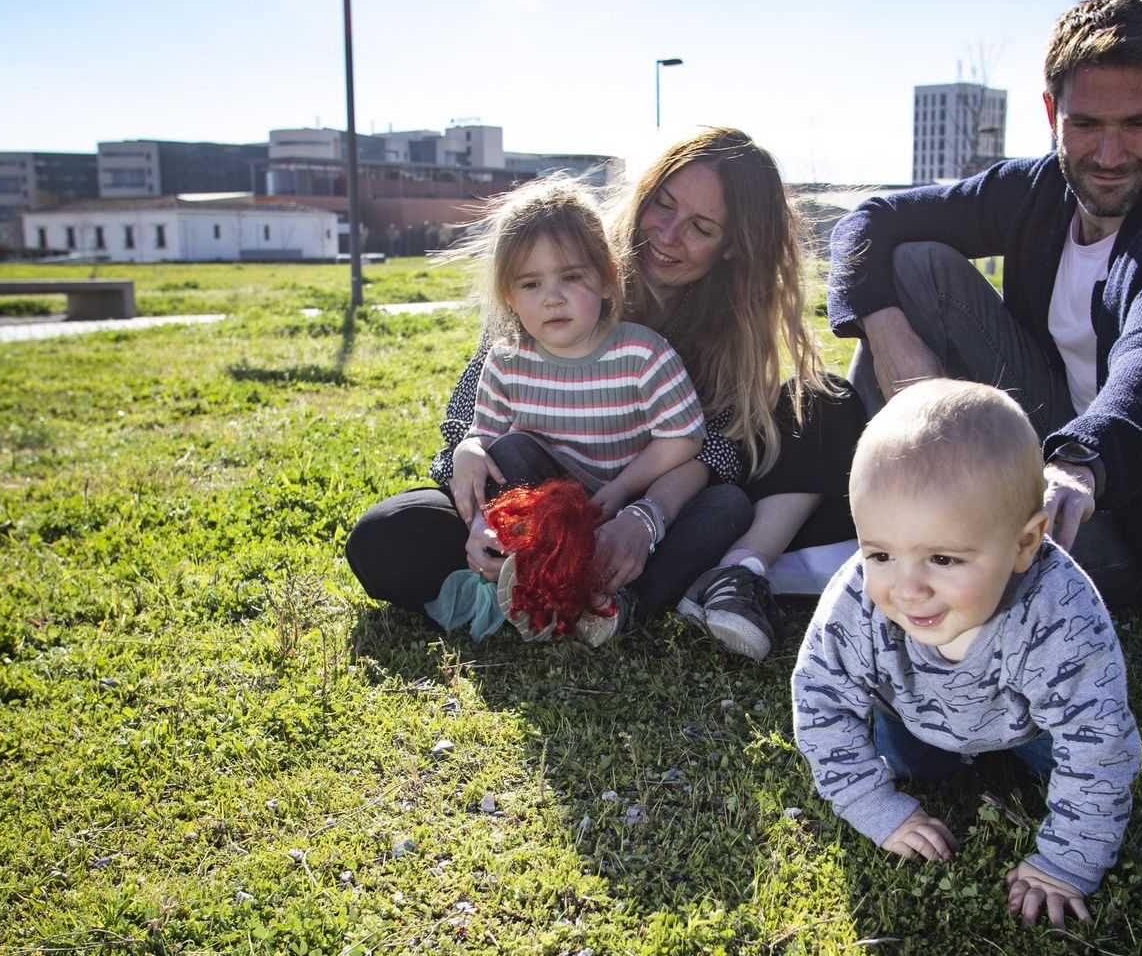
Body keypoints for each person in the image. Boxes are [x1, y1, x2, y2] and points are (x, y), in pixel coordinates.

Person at [827, 0, 1142, 624]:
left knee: (1005, 549)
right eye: (1085, 124)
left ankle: (892, 550)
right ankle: (866, 516)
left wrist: (1080, 463)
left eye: (1138, 124)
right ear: (1052, 112)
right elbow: (870, 218)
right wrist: (887, 334)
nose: (1108, 156)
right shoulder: (1038, 189)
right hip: (1045, 448)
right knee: (915, 262)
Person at [346, 128, 861, 649]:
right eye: (663, 204)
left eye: (701, 228)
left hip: (657, 506)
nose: (666, 234)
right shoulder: (563, 255)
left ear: (733, 247)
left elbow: (712, 453)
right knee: (386, 538)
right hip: (538, 497)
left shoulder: (727, 327)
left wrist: (641, 518)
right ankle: (532, 581)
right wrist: (475, 497)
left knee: (814, 412)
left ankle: (674, 590)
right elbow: (474, 419)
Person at [792, 379, 1141, 928]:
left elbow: (1097, 744)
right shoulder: (857, 596)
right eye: (880, 552)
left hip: (1034, 728)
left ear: (1025, 544)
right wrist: (876, 809)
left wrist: (1066, 864)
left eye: (944, 559)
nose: (907, 589)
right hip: (916, 719)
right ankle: (938, 752)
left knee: (1086, 767)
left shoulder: (1060, 613)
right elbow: (820, 702)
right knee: (914, 767)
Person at [456, 176, 707, 643]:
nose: (553, 297)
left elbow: (685, 438)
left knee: (725, 507)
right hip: (553, 512)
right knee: (510, 452)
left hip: (630, 503)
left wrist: (625, 488)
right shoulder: (508, 360)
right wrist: (467, 451)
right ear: (510, 297)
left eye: (571, 277)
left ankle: (619, 601)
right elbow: (484, 440)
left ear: (609, 280)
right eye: (532, 283)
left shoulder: (642, 352)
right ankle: (538, 578)